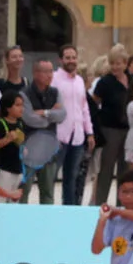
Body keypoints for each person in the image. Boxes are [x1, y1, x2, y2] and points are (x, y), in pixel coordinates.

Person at [89, 49, 133, 204]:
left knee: (125, 169)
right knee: (106, 169)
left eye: (118, 63)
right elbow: (94, 103)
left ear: (125, 64)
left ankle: (123, 203)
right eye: (112, 63)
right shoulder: (105, 82)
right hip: (110, 130)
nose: (115, 67)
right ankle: (100, 203)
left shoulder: (132, 80)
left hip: (128, 130)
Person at [51, 46, 91, 206]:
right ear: (60, 60)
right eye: (67, 57)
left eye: (73, 57)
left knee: (71, 177)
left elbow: (84, 108)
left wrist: (90, 132)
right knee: (50, 177)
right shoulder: (53, 79)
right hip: (58, 136)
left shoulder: (80, 81)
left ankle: (69, 208)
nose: (71, 61)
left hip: (78, 137)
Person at [19, 65, 65, 203]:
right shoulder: (24, 93)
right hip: (29, 149)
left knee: (48, 192)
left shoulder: (56, 92)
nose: (50, 75)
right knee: (23, 191)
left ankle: (47, 222)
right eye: (46, 71)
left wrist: (45, 113)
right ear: (35, 73)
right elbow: (30, 119)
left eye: (51, 71)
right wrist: (51, 115)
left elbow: (62, 115)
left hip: (48, 149)